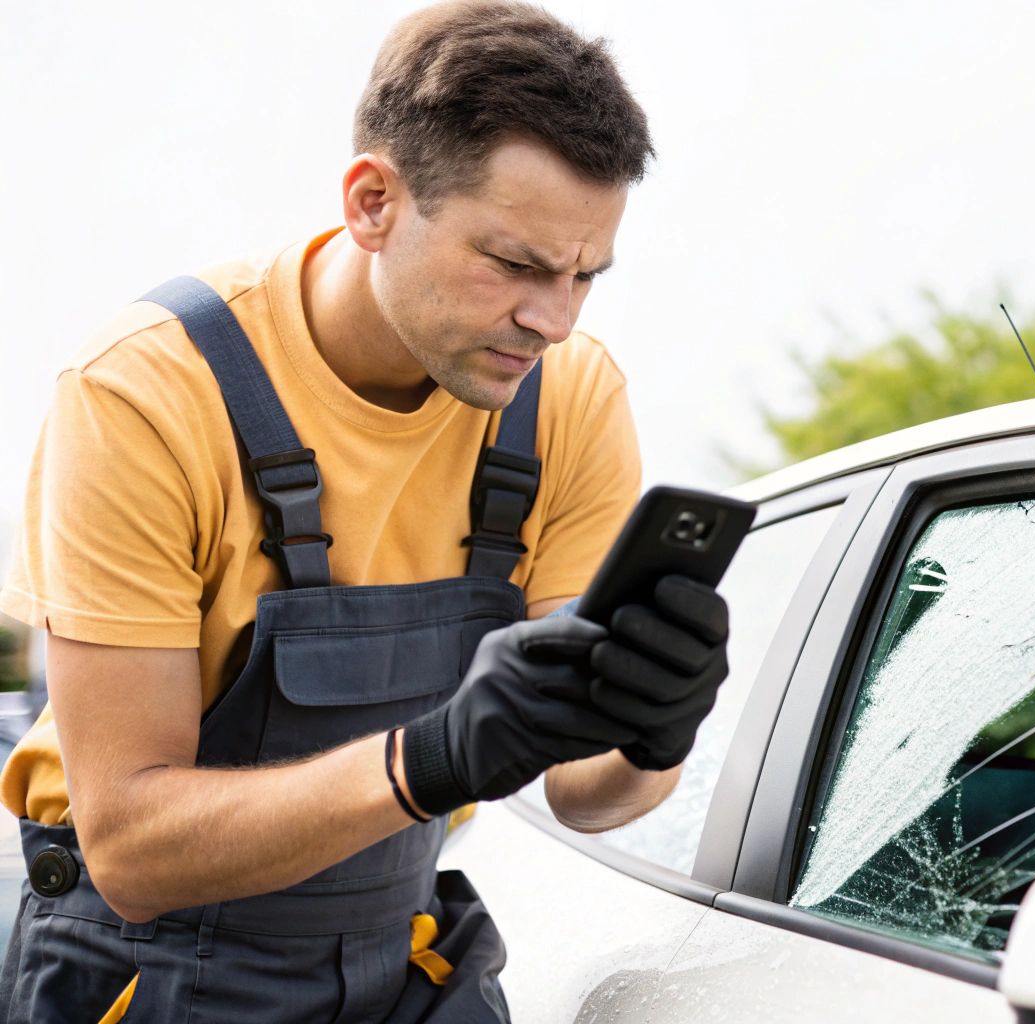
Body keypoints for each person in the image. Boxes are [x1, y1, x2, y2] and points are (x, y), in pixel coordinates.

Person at [0, 2, 729, 1019]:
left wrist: (653, 731)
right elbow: (132, 850)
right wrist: (431, 757)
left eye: (582, 277)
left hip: (403, 948)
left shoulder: (568, 396)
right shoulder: (145, 396)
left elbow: (584, 792)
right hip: (150, 963)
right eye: (515, 265)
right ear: (374, 200)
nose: (552, 320)